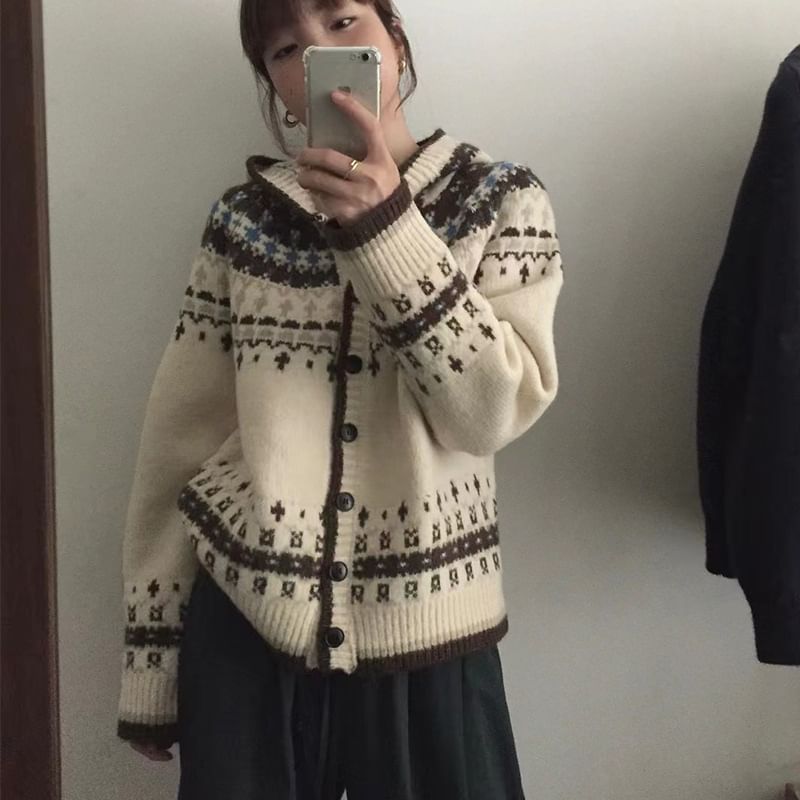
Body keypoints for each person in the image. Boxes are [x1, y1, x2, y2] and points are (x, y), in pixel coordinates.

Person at [116, 0, 565, 797]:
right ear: (279, 91)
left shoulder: (500, 201)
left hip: (433, 630)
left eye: (344, 20)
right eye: (285, 48)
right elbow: (177, 444)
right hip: (247, 631)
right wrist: (152, 665)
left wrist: (387, 228)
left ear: (397, 42)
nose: (318, 52)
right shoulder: (244, 224)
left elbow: (490, 412)